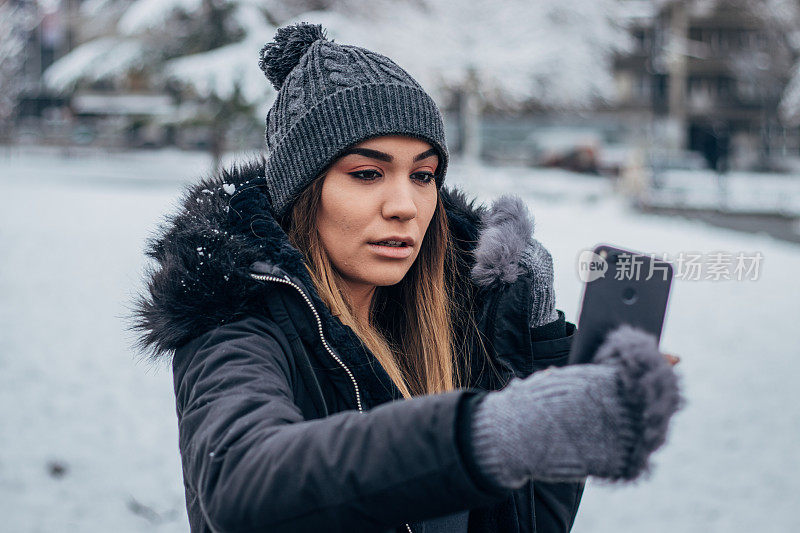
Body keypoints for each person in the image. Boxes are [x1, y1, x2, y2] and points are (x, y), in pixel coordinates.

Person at [132, 23, 682, 533]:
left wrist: (537, 342)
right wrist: (497, 432)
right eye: (367, 173)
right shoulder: (235, 322)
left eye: (423, 176)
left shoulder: (441, 324)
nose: (406, 206)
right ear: (303, 192)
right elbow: (241, 482)